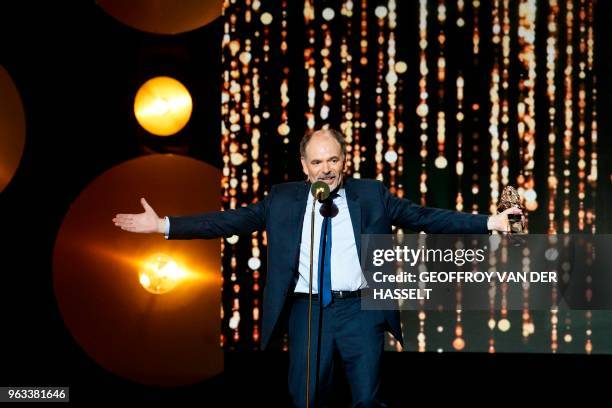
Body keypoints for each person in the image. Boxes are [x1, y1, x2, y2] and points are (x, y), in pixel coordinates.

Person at [113, 128, 521, 407]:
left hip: (361, 310)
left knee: (365, 398)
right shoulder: (283, 199)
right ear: (304, 167)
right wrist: (164, 225)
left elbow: (425, 218)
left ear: (345, 160)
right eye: (317, 162)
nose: (326, 168)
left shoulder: (371, 195)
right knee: (306, 398)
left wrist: (490, 222)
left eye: (333, 159)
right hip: (307, 310)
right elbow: (229, 220)